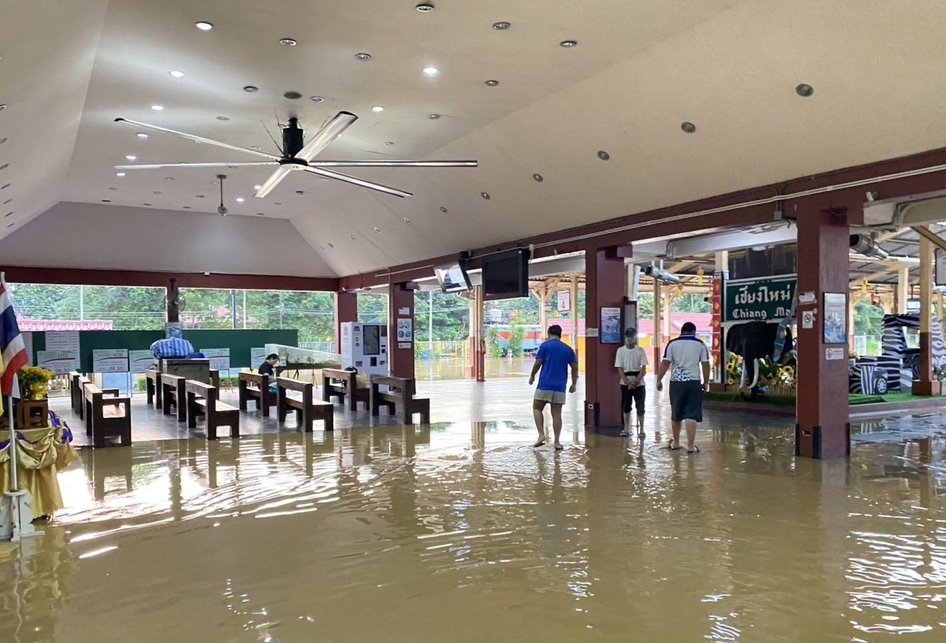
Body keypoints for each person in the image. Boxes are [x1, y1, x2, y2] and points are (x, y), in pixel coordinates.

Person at [655, 321, 710, 454]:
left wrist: (658, 380)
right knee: (691, 413)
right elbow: (705, 365)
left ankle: (676, 443)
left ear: (682, 331)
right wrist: (706, 382)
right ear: (693, 332)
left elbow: (665, 363)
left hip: (676, 383)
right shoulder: (700, 344)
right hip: (693, 382)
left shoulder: (672, 344)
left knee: (676, 413)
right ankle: (691, 447)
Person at [528, 324, 578, 450]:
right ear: (560, 335)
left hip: (545, 384)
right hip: (559, 386)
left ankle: (541, 435)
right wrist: (574, 384)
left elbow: (538, 362)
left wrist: (532, 375)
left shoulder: (545, 346)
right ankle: (557, 442)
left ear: (549, 334)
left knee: (537, 408)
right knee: (557, 414)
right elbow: (575, 367)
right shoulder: (568, 349)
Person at [614, 328, 648, 438]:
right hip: (625, 383)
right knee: (626, 406)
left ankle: (641, 429)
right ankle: (626, 429)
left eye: (631, 337)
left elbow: (643, 368)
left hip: (639, 383)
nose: (629, 339)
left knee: (640, 406)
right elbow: (619, 368)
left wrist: (636, 381)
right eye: (627, 337)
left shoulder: (640, 350)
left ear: (635, 338)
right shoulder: (620, 351)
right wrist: (626, 381)